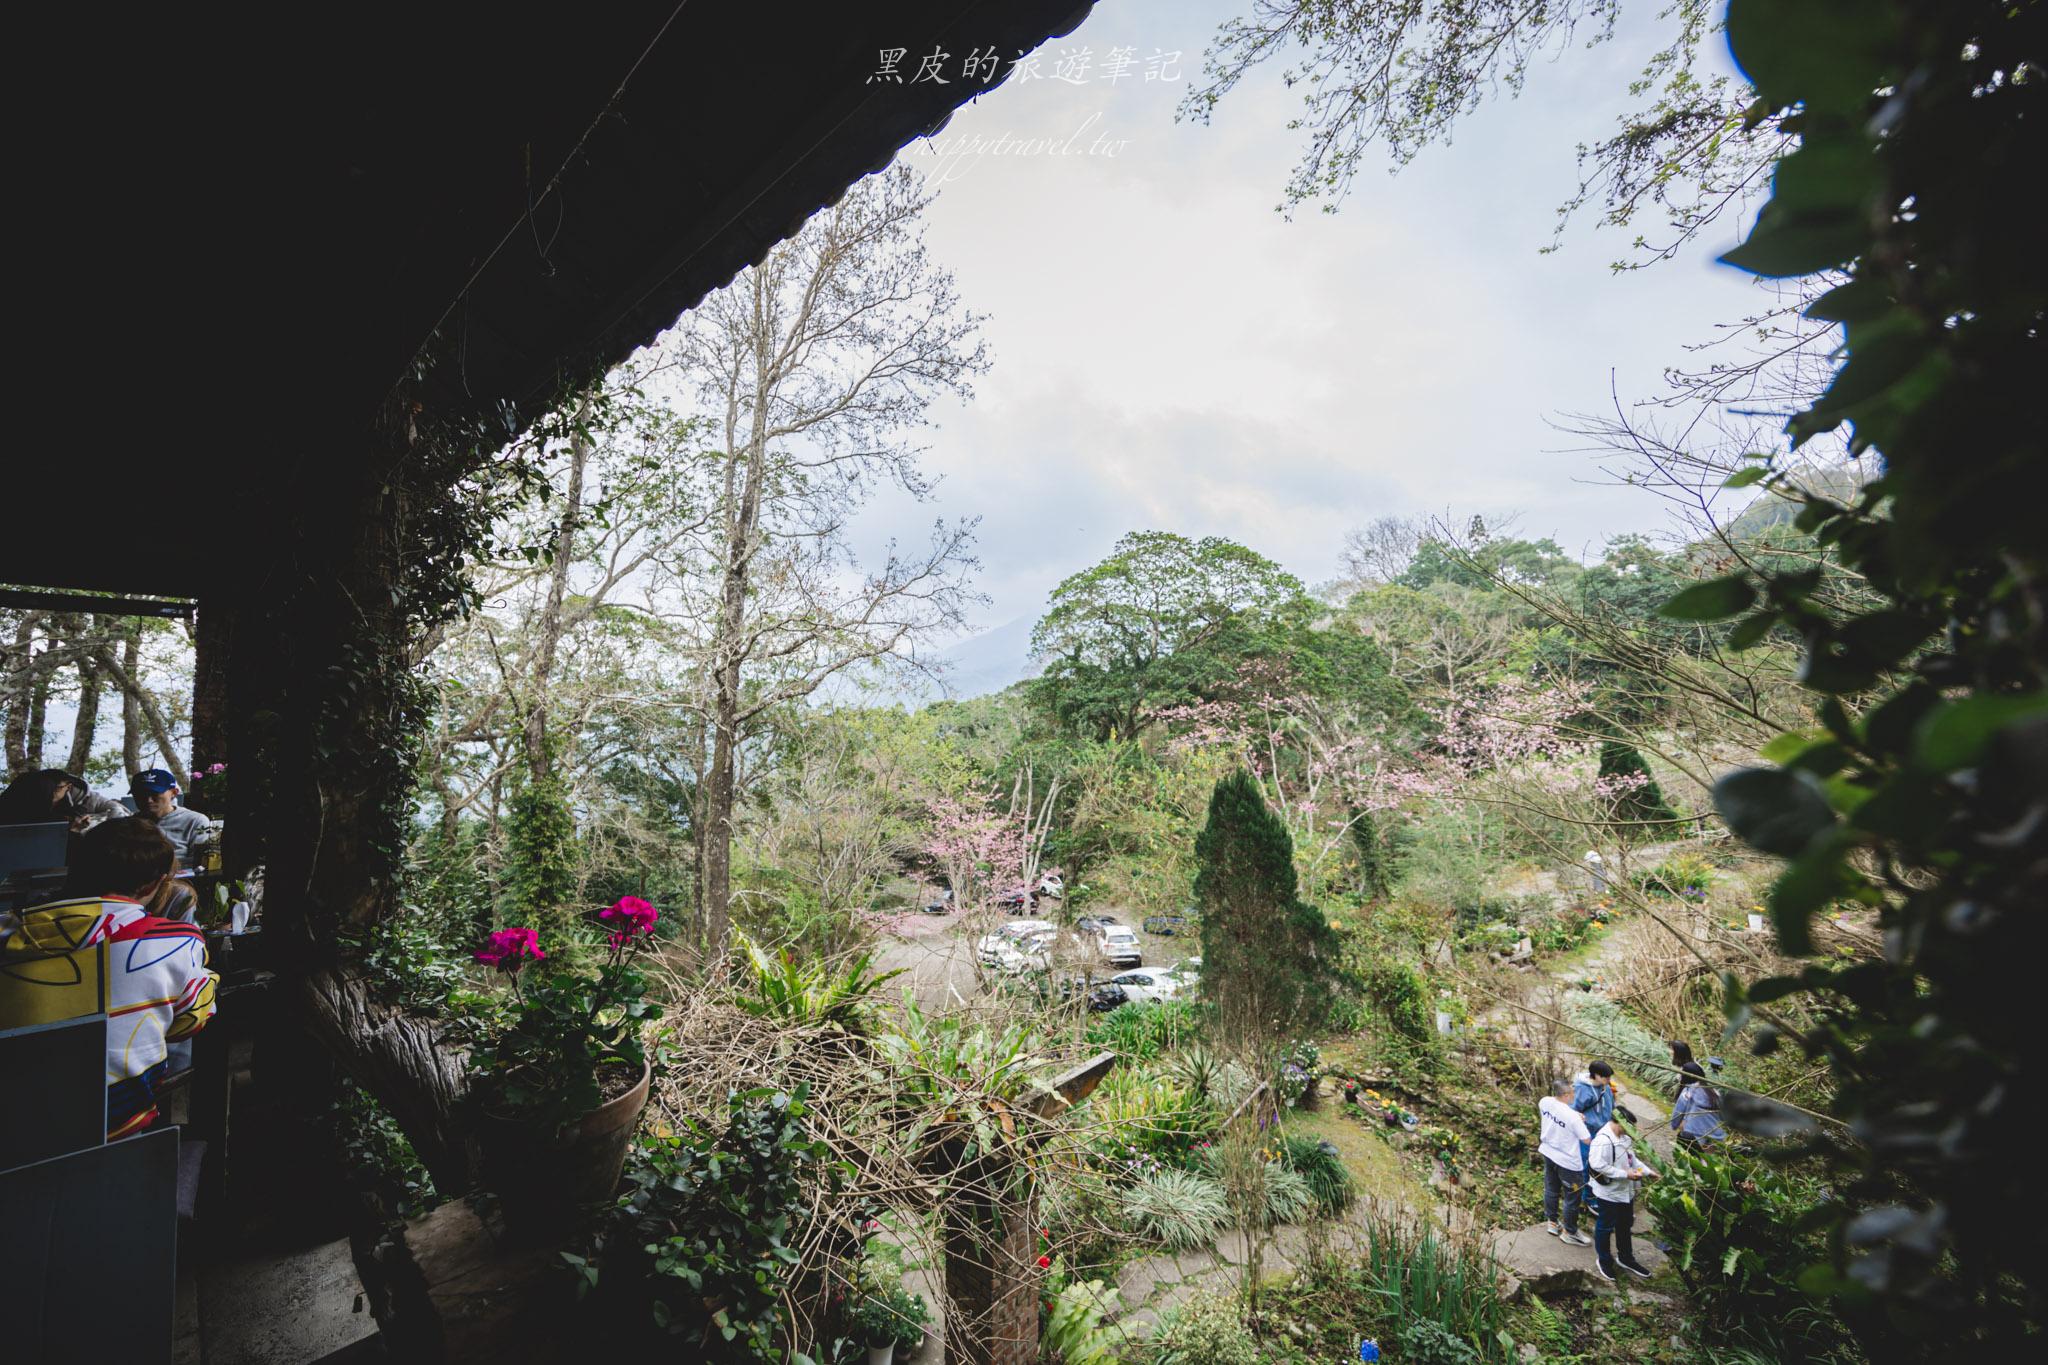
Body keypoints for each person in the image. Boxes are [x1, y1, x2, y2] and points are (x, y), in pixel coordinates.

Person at [0, 819, 218, 1138]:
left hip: (14, 1137)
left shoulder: (8, 936)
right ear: (149, 886)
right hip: (113, 1141)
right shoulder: (173, 943)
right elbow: (189, 1023)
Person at [1588, 1106, 1658, 1281]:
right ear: (1618, 1122)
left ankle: (1626, 1258)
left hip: (1626, 1192)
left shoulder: (1624, 1138)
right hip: (1609, 1193)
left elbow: (1632, 1159)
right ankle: (1604, 1260)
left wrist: (1648, 1172)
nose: (1631, 1130)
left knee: (1625, 1225)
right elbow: (1596, 1164)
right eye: (1628, 1126)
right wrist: (1625, 1174)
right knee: (1605, 1226)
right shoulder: (1603, 1140)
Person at [1538, 1076, 1593, 1245]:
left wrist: (1574, 1115)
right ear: (1567, 1095)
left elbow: (1559, 1112)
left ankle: (1553, 1222)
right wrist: (1577, 1119)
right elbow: (1586, 1139)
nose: (1575, 1093)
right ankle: (1570, 1231)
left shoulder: (1545, 1101)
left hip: (1548, 1153)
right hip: (1568, 1162)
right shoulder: (1572, 1117)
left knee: (1551, 1188)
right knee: (1572, 1196)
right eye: (1573, 1091)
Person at [130, 768, 219, 865]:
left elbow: (201, 861)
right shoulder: (127, 825)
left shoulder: (195, 821)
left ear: (174, 793)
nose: (148, 800)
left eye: (155, 794)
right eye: (140, 794)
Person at [0, 768, 128, 830]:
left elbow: (113, 807)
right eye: (53, 790)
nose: (54, 794)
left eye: (59, 788)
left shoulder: (79, 796)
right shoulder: (22, 802)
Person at [1572, 1060, 1618, 1168]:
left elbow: (1612, 1106)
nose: (1609, 1080)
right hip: (1588, 1131)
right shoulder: (1581, 1088)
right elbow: (1573, 1110)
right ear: (1597, 1075)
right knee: (1586, 1159)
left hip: (1604, 1130)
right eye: (1606, 1078)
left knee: (1601, 1159)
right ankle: (1585, 1184)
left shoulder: (1605, 1087)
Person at [1670, 1063, 1727, 1147]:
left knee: (1688, 1149)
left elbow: (1678, 1113)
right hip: (1717, 1136)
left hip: (1694, 1135)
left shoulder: (1688, 1091)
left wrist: (1674, 1125)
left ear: (1687, 1076)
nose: (1679, 1075)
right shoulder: (1715, 1092)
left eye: (1681, 1073)